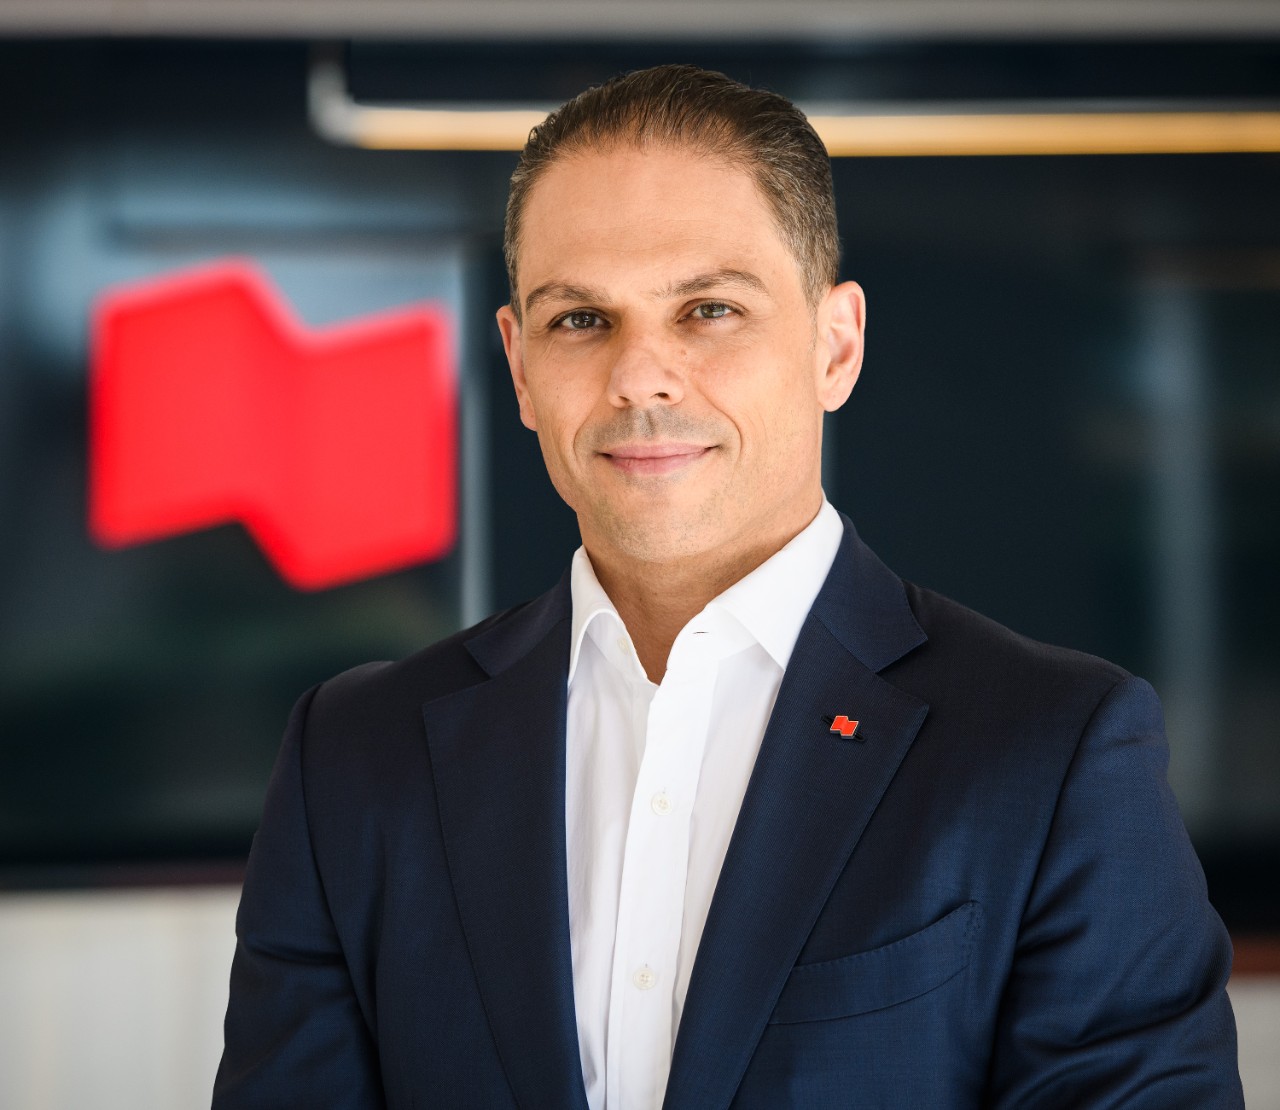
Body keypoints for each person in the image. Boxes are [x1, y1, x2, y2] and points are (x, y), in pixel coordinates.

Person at [214, 64, 1243, 1108]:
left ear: (834, 346)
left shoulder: (1052, 753)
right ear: (519, 368)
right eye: (580, 320)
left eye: (708, 309)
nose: (639, 377)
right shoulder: (355, 759)